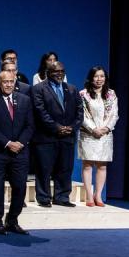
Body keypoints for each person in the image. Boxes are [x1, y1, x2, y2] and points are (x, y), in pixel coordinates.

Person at [0, 71, 34, 235]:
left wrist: (20, 143)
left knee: (20, 187)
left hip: (20, 152)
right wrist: (8, 143)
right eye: (5, 82)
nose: (9, 84)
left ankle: (12, 220)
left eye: (12, 81)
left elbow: (30, 126)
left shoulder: (24, 100)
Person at [31, 61, 83, 208]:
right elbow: (40, 111)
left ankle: (62, 197)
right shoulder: (38, 89)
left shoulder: (72, 89)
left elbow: (80, 112)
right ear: (48, 72)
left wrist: (72, 128)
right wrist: (57, 127)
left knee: (65, 168)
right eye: (56, 71)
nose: (59, 74)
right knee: (44, 169)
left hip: (67, 137)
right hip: (46, 137)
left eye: (62, 71)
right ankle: (44, 197)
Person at [78, 66, 118, 207]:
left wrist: (106, 128)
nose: (99, 79)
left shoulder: (111, 94)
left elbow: (114, 114)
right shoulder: (83, 94)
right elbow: (81, 115)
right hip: (88, 134)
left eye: (102, 76)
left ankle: (98, 196)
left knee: (102, 166)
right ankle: (89, 195)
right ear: (91, 77)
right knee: (87, 164)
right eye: (96, 76)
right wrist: (93, 129)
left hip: (105, 135)